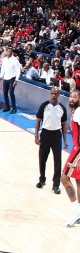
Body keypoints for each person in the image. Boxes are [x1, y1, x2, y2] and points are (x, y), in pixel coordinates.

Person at [35, 86, 68, 193]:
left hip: (56, 135)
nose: (54, 95)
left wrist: (65, 140)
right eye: (52, 93)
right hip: (45, 134)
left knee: (57, 160)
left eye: (56, 93)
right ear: (50, 94)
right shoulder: (44, 105)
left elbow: (63, 125)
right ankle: (42, 179)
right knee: (42, 159)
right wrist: (36, 135)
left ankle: (56, 185)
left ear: (58, 95)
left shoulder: (62, 108)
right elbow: (38, 120)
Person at [62, 89, 80, 226]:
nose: (72, 98)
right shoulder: (76, 111)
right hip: (76, 148)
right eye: (71, 96)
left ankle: (76, 212)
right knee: (78, 181)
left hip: (78, 149)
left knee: (64, 177)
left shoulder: (78, 111)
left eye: (75, 96)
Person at [0, 48, 21, 113]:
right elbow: (3, 68)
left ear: (12, 52)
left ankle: (14, 108)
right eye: (8, 51)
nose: (9, 52)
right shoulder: (4, 59)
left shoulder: (15, 60)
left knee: (11, 93)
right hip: (6, 77)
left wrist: (16, 80)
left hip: (12, 78)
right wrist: (1, 75)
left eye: (10, 51)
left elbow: (18, 70)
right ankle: (7, 107)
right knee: (5, 93)